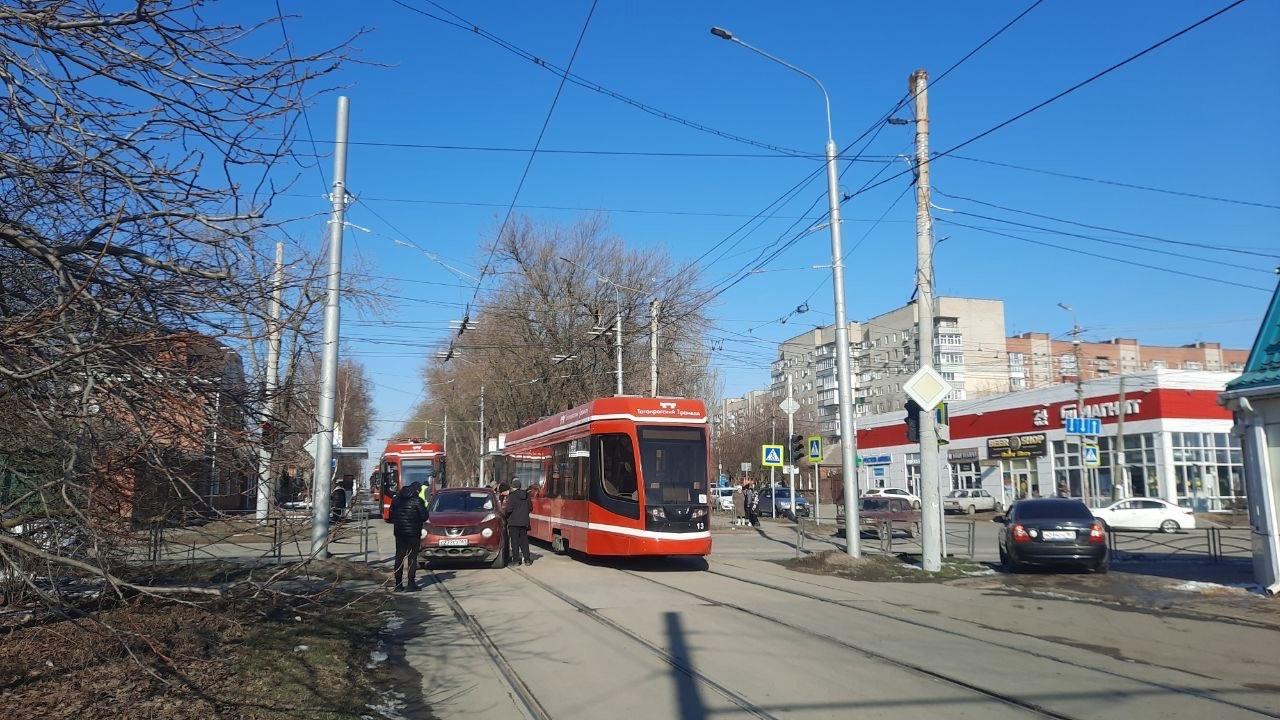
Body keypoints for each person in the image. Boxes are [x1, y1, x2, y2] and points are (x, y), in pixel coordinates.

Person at [389, 480, 428, 591]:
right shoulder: (417, 501)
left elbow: (391, 515)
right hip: (413, 534)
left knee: (399, 558)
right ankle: (411, 584)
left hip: (400, 533)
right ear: (417, 490)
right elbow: (424, 516)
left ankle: (398, 584)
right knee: (412, 558)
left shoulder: (396, 500)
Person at [504, 478, 533, 566]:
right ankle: (527, 559)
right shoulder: (527, 495)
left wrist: (505, 514)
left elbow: (509, 509)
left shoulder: (512, 496)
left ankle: (516, 560)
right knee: (524, 541)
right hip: (524, 522)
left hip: (513, 522)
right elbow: (530, 508)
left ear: (513, 487)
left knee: (515, 542)